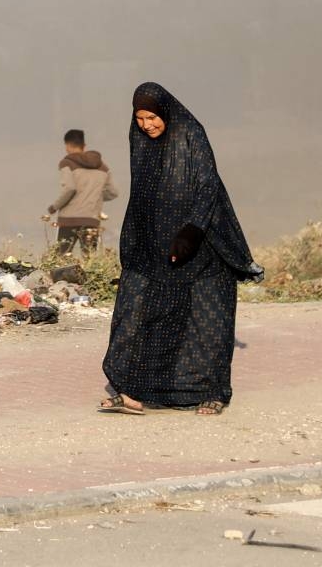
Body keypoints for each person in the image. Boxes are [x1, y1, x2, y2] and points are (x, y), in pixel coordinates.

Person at [100, 83, 263, 417]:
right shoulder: (140, 140)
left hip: (200, 246)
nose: (147, 124)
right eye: (140, 117)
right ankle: (131, 391)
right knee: (139, 315)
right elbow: (142, 191)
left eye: (152, 116)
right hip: (153, 246)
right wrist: (136, 238)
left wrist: (191, 232)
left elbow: (207, 186)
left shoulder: (191, 134)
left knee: (207, 325)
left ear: (167, 112)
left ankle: (213, 393)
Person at [44, 129, 118, 255]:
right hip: (91, 219)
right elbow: (113, 192)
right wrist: (95, 196)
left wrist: (54, 207)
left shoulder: (67, 163)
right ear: (84, 146)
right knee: (90, 260)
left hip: (69, 219)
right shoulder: (103, 167)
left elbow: (70, 189)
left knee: (61, 259)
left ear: (67, 145)